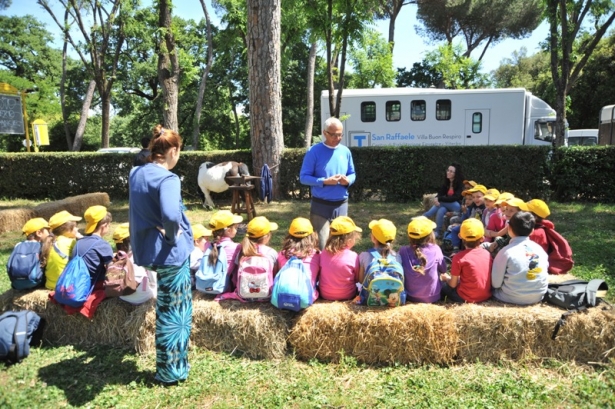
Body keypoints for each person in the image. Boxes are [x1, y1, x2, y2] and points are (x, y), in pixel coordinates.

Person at [129, 124, 194, 385]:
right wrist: (171, 235)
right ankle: (172, 371)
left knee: (166, 310)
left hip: (149, 251)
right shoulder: (168, 178)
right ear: (173, 151)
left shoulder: (136, 173)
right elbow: (170, 214)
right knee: (175, 314)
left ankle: (168, 366)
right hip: (171, 254)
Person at [299, 117, 356, 250]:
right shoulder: (313, 151)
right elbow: (303, 177)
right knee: (321, 245)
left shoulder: (345, 151)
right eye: (334, 134)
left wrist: (348, 180)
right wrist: (324, 181)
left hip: (341, 204)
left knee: (342, 245)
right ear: (325, 133)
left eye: (340, 134)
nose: (338, 138)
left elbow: (352, 173)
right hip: (321, 205)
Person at [491, 211, 549, 305]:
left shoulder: (505, 252)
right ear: (532, 231)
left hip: (509, 297)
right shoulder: (540, 250)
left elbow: (495, 284)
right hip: (538, 296)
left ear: (509, 228)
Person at [440, 219, 492, 303]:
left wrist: (446, 279)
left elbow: (453, 284)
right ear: (482, 238)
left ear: (460, 236)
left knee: (442, 286)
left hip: (465, 297)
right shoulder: (487, 254)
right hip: (485, 296)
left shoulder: (458, 258)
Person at [399, 216, 446, 303]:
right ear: (430, 235)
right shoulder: (436, 249)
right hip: (433, 297)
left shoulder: (402, 251)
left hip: (410, 296)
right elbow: (443, 270)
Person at [275, 217, 321, 301]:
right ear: (312, 235)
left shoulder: (282, 254)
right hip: (306, 298)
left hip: (281, 297)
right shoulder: (316, 254)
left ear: (289, 235)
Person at [318, 216, 362, 301]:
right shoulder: (353, 256)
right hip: (348, 295)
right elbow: (357, 279)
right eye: (355, 238)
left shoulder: (323, 253)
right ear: (349, 241)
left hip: (325, 295)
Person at [113, 223, 158, 305]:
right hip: (142, 297)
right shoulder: (142, 255)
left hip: (122, 296)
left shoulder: (115, 257)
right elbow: (153, 281)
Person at [41, 210, 83, 290]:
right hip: (65, 286)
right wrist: (81, 238)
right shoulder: (70, 242)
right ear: (67, 230)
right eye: (75, 227)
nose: (77, 229)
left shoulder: (50, 241)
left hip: (50, 285)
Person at [423, 163, 465, 239]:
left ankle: (426, 216)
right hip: (448, 205)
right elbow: (440, 193)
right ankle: (438, 232)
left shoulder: (460, 184)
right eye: (448, 170)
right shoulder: (447, 183)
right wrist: (436, 198)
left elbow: (455, 198)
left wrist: (439, 199)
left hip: (457, 207)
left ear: (456, 174)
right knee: (441, 209)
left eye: (451, 171)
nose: (448, 172)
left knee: (441, 203)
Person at [74, 205, 114, 286]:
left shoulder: (79, 242)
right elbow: (112, 270)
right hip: (94, 285)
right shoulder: (102, 245)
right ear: (104, 225)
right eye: (109, 225)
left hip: (78, 283)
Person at [205, 210, 243, 288]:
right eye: (235, 227)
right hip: (223, 285)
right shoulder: (236, 247)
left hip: (206, 283)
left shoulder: (208, 245)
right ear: (229, 230)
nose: (236, 230)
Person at [358, 219, 400, 284]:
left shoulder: (364, 256)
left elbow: (361, 281)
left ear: (373, 238)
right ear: (393, 239)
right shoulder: (397, 257)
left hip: (370, 293)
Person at [189, 223, 212, 287]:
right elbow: (203, 270)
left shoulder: (190, 250)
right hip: (192, 283)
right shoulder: (197, 252)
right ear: (197, 241)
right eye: (206, 239)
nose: (209, 242)